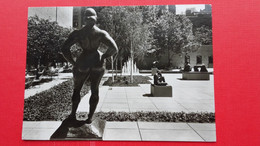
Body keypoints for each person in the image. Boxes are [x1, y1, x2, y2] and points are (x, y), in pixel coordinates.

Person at [61, 8, 118, 124]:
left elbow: (64, 49)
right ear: (95, 18)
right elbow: (114, 48)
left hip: (82, 62)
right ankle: (90, 117)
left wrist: (73, 62)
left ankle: (73, 115)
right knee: (95, 90)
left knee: (77, 90)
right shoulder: (101, 33)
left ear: (85, 19)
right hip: (97, 62)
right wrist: (104, 57)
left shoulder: (78, 34)